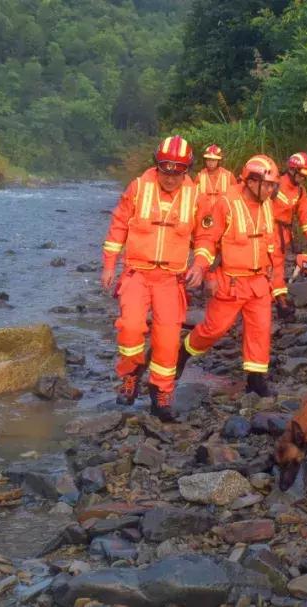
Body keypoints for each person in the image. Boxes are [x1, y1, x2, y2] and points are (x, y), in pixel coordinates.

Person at [101, 135, 207, 422]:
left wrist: (200, 265)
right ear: (157, 166)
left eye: (178, 172)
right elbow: (118, 226)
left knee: (168, 339)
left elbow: (205, 237)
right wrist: (109, 265)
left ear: (186, 170)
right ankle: (131, 374)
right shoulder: (138, 188)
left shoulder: (195, 196)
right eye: (165, 170)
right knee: (130, 328)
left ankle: (161, 391)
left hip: (171, 279)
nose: (170, 178)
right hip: (137, 273)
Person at [177, 155, 281, 397]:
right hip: (230, 281)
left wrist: (279, 287)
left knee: (260, 330)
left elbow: (272, 247)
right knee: (213, 329)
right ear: (251, 181)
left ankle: (256, 379)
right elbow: (207, 241)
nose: (270, 190)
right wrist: (205, 271)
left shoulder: (267, 204)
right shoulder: (226, 203)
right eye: (267, 185)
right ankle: (184, 352)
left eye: (272, 186)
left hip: (258, 281)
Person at [271, 152, 307, 317]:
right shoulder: (275, 184)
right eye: (301, 174)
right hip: (268, 230)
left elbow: (304, 214)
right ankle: (280, 301)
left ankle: (276, 297)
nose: (303, 178)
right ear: (292, 170)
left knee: (277, 265)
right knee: (272, 265)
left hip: (284, 234)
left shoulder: (300, 191)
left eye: (306, 175)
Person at [197, 144, 235, 210]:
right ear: (205, 161)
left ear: (219, 161)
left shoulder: (228, 176)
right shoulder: (200, 176)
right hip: (204, 213)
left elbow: (235, 196)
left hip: (223, 212)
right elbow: (195, 197)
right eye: (208, 160)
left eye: (213, 160)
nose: (210, 163)